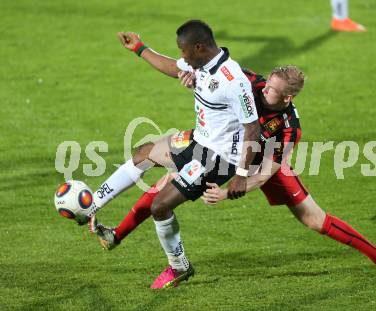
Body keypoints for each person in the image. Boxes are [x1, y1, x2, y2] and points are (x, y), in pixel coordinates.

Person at [97, 66, 376, 286]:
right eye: (267, 83)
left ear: (287, 98)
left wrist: (232, 189)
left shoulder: (288, 127)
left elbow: (266, 172)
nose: (265, 90)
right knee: (153, 162)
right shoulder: (249, 80)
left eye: (273, 90)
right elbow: (213, 76)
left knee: (315, 220)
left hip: (259, 165)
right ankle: (116, 234)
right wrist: (192, 77)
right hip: (217, 147)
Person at [89, 20, 261, 288]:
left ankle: (179, 267)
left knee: (160, 206)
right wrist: (140, 48)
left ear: (199, 46)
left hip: (216, 158)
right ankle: (93, 204)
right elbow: (172, 66)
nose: (182, 57)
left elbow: (253, 128)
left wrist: (241, 175)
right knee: (144, 154)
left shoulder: (233, 80)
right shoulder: (201, 64)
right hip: (198, 140)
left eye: (184, 51)